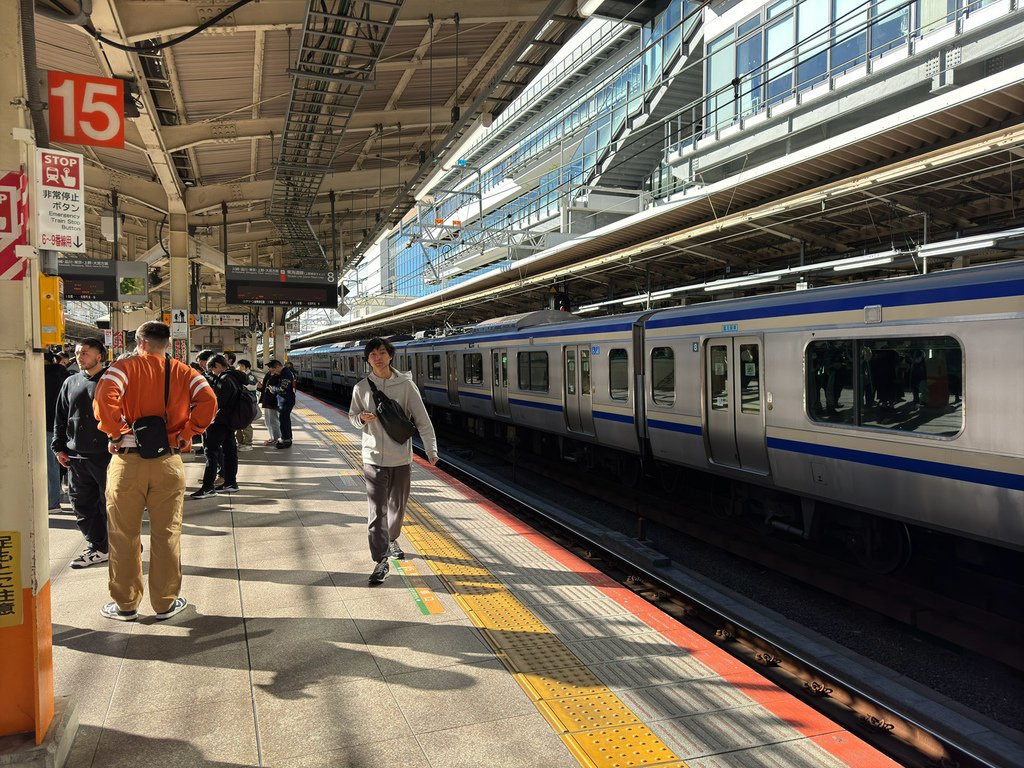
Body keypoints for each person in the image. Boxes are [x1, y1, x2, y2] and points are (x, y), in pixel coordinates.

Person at [94, 321, 217, 621]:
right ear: (167, 344)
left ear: (141, 342)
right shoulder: (185, 372)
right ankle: (164, 603)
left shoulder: (124, 368)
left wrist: (115, 433)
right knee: (167, 533)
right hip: (168, 462)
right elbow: (209, 401)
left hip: (127, 463)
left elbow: (103, 399)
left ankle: (125, 604)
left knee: (123, 534)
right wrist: (186, 433)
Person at [349, 338, 439, 585]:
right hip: (373, 458)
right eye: (372, 354)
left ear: (390, 356)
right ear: (367, 359)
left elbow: (422, 419)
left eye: (381, 352)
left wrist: (430, 449)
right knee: (376, 511)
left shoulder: (406, 386)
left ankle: (391, 537)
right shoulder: (361, 388)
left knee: (397, 508)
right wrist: (361, 419)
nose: (377, 357)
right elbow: (352, 417)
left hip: (400, 459)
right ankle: (380, 560)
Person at [52, 338, 111, 568]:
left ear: (100, 355)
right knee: (82, 504)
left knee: (112, 504)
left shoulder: (111, 380)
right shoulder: (70, 381)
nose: (80, 356)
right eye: (78, 352)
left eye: (86, 352)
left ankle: (121, 544)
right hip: (76, 454)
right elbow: (60, 417)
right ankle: (98, 547)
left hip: (107, 454)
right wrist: (59, 447)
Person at [191, 354, 241, 498]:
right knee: (229, 451)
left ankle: (208, 487)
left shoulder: (224, 380)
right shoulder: (234, 377)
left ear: (217, 366)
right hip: (229, 421)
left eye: (212, 369)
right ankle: (230, 483)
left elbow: (216, 402)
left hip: (218, 422)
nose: (211, 373)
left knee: (211, 452)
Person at [44, 350, 71, 510]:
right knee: (58, 463)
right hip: (63, 425)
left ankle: (52, 501)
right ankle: (56, 497)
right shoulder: (65, 376)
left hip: (45, 425)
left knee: (49, 466)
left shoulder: (40, 375)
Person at [268, 359, 296, 448]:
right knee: (284, 419)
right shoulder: (284, 373)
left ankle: (286, 440)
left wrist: (273, 389)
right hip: (285, 400)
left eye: (274, 370)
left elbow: (283, 388)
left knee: (284, 420)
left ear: (278, 367)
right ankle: (288, 438)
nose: (274, 372)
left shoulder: (286, 374)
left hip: (286, 401)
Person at [234, 359, 258, 451]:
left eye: (241, 365)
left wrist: (241, 385)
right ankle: (241, 442)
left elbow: (253, 386)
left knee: (247, 424)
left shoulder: (250, 376)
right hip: (240, 403)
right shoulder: (239, 375)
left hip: (247, 404)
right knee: (238, 423)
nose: (239, 367)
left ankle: (248, 444)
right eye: (238, 365)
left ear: (246, 367)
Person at [257, 365, 281, 445]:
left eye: (270, 367)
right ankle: (272, 437)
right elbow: (264, 388)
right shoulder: (268, 375)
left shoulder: (279, 377)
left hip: (273, 401)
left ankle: (276, 438)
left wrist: (273, 389)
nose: (269, 368)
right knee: (267, 420)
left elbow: (279, 389)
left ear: (276, 367)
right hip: (266, 400)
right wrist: (259, 387)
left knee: (273, 420)